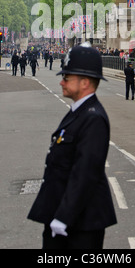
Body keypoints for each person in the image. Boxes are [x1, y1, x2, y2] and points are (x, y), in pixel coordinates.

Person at [27, 44, 117, 249]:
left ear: (85, 82)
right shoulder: (80, 111)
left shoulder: (93, 118)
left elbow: (85, 173)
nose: (61, 81)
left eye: (67, 77)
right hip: (64, 215)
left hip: (78, 225)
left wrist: (64, 217)